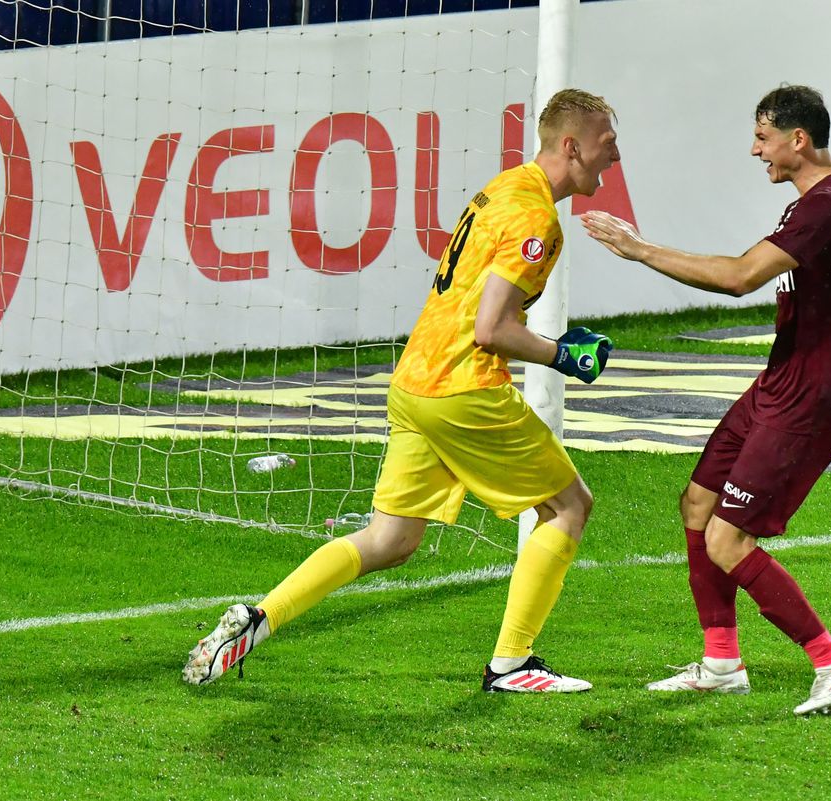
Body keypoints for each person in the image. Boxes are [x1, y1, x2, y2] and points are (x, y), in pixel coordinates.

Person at [183, 88, 620, 693]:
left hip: (415, 380)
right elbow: (491, 328)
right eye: (606, 143)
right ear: (571, 146)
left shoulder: (504, 188)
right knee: (569, 506)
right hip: (461, 387)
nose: (614, 156)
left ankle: (259, 619)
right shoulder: (536, 217)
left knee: (390, 539)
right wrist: (562, 354)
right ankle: (513, 664)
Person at [581, 85, 831, 715]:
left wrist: (639, 249)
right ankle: (721, 662)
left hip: (813, 394)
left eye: (763, 137)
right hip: (782, 380)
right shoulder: (814, 204)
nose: (754, 149)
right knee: (698, 504)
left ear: (798, 140)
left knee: (727, 539)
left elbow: (741, 277)